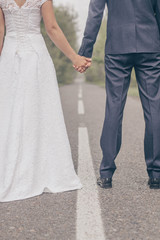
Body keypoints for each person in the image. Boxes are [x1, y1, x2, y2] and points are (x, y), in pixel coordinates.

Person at [0, 0, 91, 202]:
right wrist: (75, 58)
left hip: (9, 54)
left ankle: (10, 166)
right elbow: (51, 28)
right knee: (40, 111)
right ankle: (41, 168)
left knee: (9, 112)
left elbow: (0, 29)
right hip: (36, 55)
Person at [78, 0, 160, 189]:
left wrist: (85, 51)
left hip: (118, 47)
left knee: (114, 106)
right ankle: (156, 174)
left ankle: (106, 173)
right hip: (150, 45)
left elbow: (95, 15)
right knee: (154, 108)